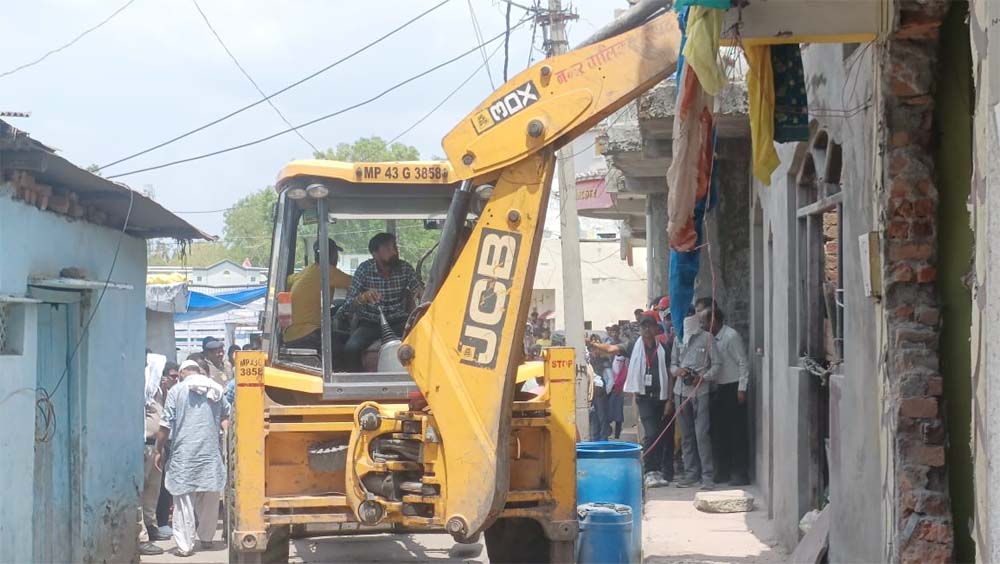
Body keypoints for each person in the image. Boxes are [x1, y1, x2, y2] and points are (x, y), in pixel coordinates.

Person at [154, 360, 231, 557]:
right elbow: (226, 419)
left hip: (184, 454)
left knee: (183, 500)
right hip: (209, 453)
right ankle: (206, 538)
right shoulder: (216, 390)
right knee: (210, 496)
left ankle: (185, 546)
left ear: (181, 373)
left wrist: (158, 449)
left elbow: (165, 425)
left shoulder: (177, 391)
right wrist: (228, 445)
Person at [590, 314, 674, 488]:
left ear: (656, 329)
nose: (646, 330)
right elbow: (612, 349)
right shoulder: (633, 346)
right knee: (650, 433)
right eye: (643, 327)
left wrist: (670, 400)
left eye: (649, 326)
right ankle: (650, 470)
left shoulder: (664, 348)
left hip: (662, 398)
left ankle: (662, 471)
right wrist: (594, 344)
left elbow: (670, 373)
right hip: (644, 398)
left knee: (663, 435)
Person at [343, 233, 422, 371]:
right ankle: (361, 386)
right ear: (375, 253)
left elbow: (421, 293)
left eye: (395, 247)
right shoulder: (364, 270)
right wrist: (363, 297)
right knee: (351, 349)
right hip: (370, 322)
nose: (394, 251)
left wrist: (421, 292)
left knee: (424, 343)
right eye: (388, 248)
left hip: (399, 321)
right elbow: (347, 306)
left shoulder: (405, 268)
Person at [701, 304, 750, 486]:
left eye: (705, 321)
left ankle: (740, 473)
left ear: (714, 320)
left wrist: (742, 388)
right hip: (719, 388)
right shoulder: (710, 339)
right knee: (719, 433)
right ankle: (722, 471)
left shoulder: (731, 336)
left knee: (737, 432)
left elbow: (742, 362)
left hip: (734, 387)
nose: (703, 325)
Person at [672, 307, 721, 489]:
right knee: (686, 436)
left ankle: (707, 476)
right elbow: (672, 364)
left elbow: (717, 364)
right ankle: (691, 474)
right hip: (680, 391)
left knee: (702, 435)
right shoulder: (678, 338)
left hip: (701, 392)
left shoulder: (707, 338)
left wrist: (703, 377)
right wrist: (678, 371)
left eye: (688, 316)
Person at [283, 238, 353, 349]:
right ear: (332, 255)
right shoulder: (328, 271)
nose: (337, 259)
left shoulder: (306, 271)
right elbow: (357, 283)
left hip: (289, 334)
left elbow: (286, 282)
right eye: (336, 254)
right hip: (307, 334)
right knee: (349, 345)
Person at [138, 357, 173, 556]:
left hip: (157, 447)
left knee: (153, 490)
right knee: (141, 493)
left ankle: (151, 527)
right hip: (145, 446)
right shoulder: (145, 393)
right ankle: (142, 536)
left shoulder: (158, 393)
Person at [588, 334, 612, 441]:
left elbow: (610, 379)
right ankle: (595, 439)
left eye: (597, 348)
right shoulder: (588, 361)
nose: (595, 351)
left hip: (601, 395)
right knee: (594, 418)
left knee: (602, 418)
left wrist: (605, 392)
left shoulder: (604, 360)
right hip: (591, 394)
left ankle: (603, 439)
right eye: (593, 349)